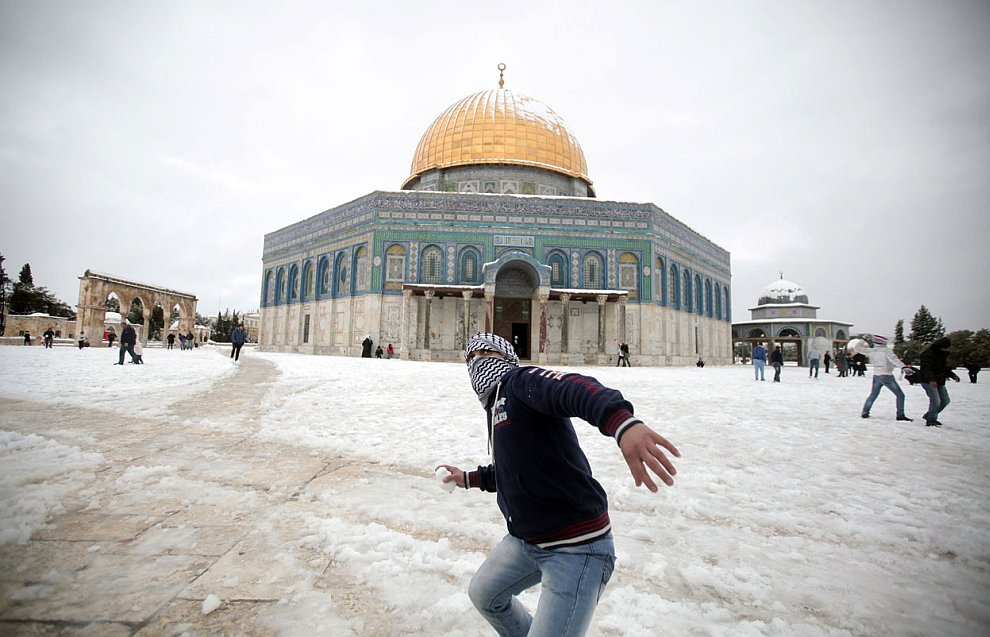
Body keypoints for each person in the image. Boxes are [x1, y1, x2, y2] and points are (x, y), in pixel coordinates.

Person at [436, 333, 680, 637]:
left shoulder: (522, 382)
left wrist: (621, 422)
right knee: (484, 595)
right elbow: (513, 469)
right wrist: (467, 479)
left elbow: (573, 388)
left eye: (486, 353)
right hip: (526, 541)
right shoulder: (495, 405)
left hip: (576, 547)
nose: (478, 362)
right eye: (471, 358)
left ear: (507, 356)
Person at [860, 335, 912, 422]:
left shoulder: (871, 350)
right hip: (886, 375)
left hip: (876, 375)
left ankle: (865, 412)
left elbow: (857, 348)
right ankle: (900, 414)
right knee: (900, 395)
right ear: (883, 343)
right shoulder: (886, 351)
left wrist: (863, 339)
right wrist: (903, 367)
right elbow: (894, 360)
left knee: (873, 394)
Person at [916, 337, 960, 427]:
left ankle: (929, 415)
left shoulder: (942, 354)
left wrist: (952, 375)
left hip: (940, 381)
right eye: (947, 347)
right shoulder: (928, 354)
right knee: (935, 401)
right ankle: (931, 421)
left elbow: (943, 368)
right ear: (941, 347)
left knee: (945, 400)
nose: (948, 349)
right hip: (927, 381)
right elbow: (926, 368)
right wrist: (931, 380)